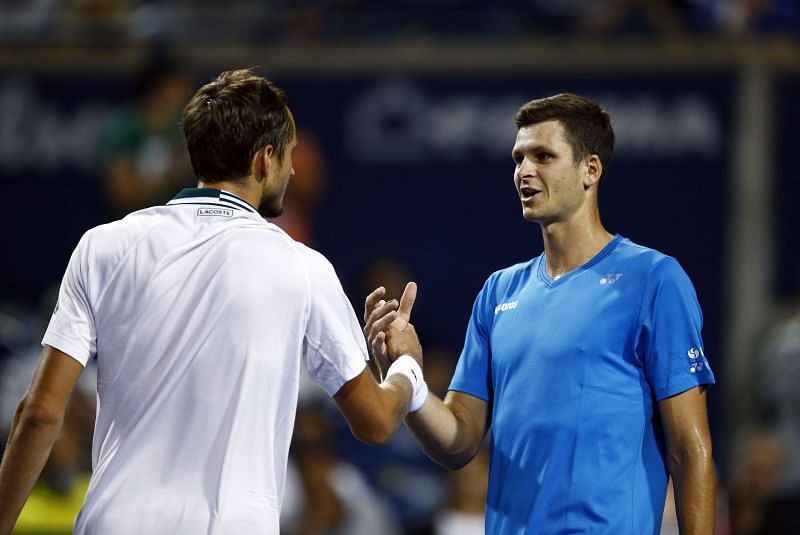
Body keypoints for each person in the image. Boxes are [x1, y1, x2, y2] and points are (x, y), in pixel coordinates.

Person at [0, 69, 426, 535]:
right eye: (289, 155)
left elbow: (39, 413)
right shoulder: (303, 268)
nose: (294, 169)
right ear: (266, 160)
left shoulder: (102, 246)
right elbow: (377, 423)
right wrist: (405, 365)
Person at [365, 93, 717, 534]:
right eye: (518, 158)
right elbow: (459, 441)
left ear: (591, 169)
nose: (523, 172)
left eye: (543, 156)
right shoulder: (498, 293)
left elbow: (690, 447)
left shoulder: (655, 280)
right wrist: (408, 376)